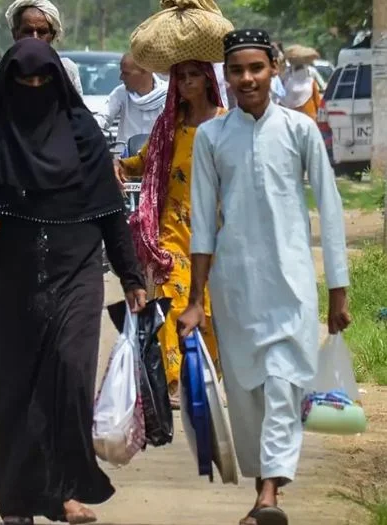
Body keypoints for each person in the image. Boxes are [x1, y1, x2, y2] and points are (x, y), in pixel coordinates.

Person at [0, 39, 147, 525]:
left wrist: (131, 274)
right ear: (7, 85)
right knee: (14, 393)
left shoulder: (82, 133)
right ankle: (17, 502)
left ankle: (64, 492)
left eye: (42, 80)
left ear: (57, 84)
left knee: (70, 377)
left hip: (77, 273)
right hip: (11, 279)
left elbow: (110, 210)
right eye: (24, 81)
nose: (33, 88)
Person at [178, 29, 351, 525]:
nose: (247, 78)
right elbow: (202, 224)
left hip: (291, 284)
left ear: (274, 67)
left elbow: (331, 210)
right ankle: (264, 490)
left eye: (256, 68)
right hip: (234, 287)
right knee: (247, 393)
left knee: (282, 383)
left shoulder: (300, 129)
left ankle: (270, 494)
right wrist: (196, 300)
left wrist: (337, 291)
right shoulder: (212, 137)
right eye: (237, 70)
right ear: (226, 77)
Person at [117, 59, 225, 409]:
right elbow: (143, 160)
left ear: (207, 79)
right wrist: (116, 165)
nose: (188, 82)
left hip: (219, 233)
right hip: (173, 230)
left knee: (210, 306)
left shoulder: (227, 125)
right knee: (172, 299)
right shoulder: (169, 127)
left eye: (194, 75)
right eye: (182, 77)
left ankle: (208, 378)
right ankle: (175, 381)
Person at [0, 0, 84, 96]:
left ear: (52, 35)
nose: (35, 38)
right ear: (15, 34)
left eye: (42, 32)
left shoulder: (67, 71)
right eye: (27, 31)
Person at [94, 53, 168, 144]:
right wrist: (90, 125)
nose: (121, 77)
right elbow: (104, 116)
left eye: (126, 73)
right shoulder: (120, 93)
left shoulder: (167, 94)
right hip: (125, 151)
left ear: (145, 71)